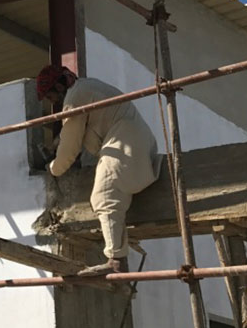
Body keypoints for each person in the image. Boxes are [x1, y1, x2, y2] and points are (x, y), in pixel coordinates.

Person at [36, 65, 164, 276]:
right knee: (110, 199)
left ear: (59, 86)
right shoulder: (86, 88)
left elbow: (70, 147)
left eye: (51, 96)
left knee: (104, 196)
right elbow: (76, 131)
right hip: (136, 141)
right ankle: (118, 259)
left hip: (124, 144)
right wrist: (58, 143)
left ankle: (116, 261)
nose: (53, 102)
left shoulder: (74, 97)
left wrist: (53, 168)